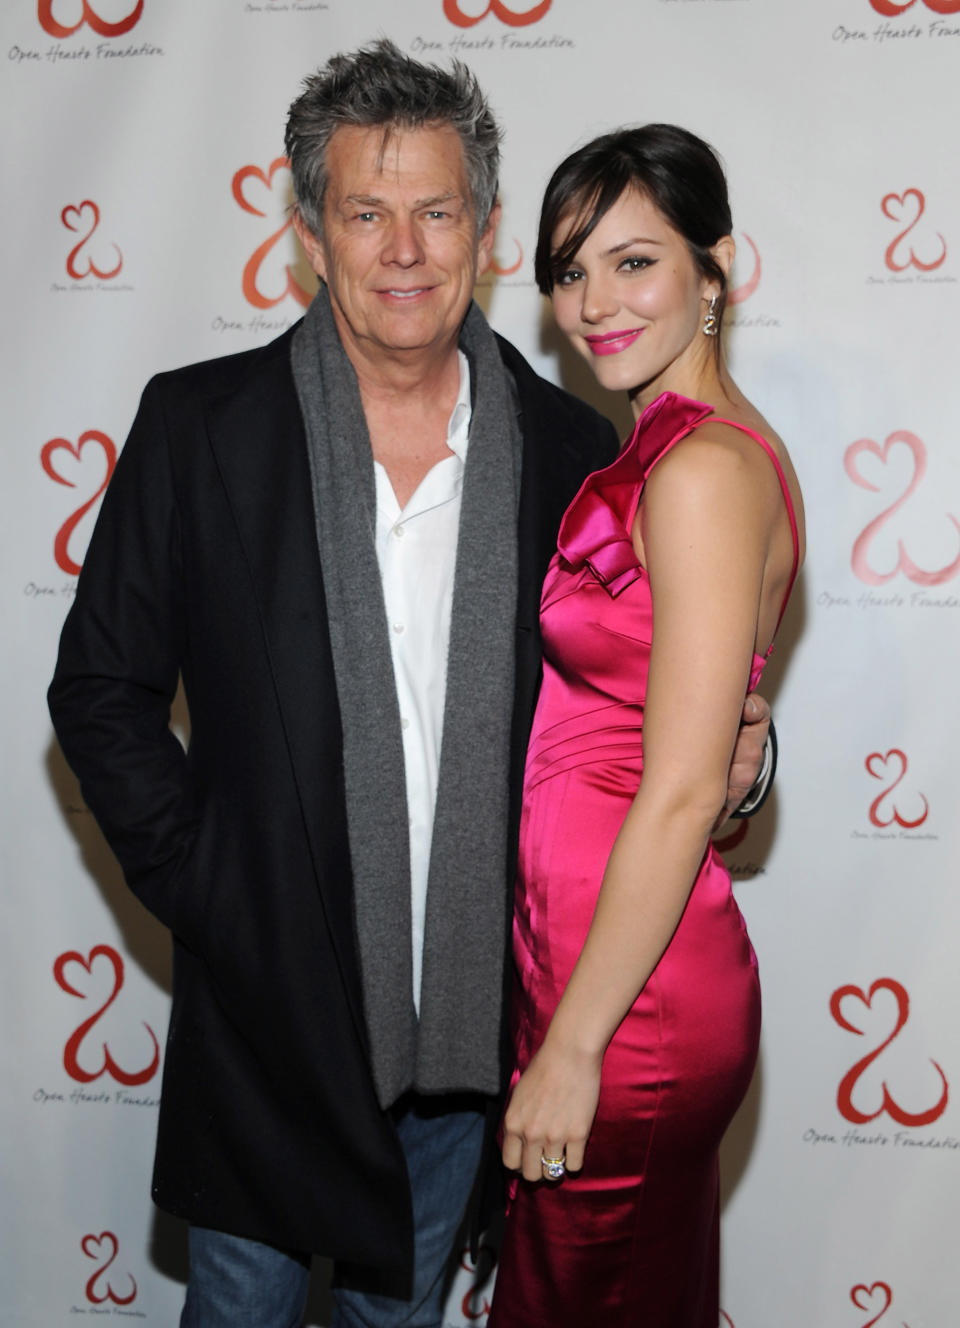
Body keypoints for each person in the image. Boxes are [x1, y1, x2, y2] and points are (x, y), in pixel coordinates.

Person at [47, 41, 771, 1328]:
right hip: (267, 1025)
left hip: (480, 1032)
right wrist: (218, 890)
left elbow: (658, 712)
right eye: (365, 213)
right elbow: (99, 689)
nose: (403, 249)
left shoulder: (572, 449)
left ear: (485, 232)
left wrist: (750, 758)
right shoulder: (201, 425)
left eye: (436, 211)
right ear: (310, 236)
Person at [488, 124, 805, 1327]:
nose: (593, 304)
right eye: (570, 271)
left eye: (634, 262)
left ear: (715, 269)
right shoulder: (668, 451)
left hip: (630, 1003)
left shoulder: (702, 472)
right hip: (598, 970)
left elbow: (678, 788)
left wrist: (574, 1046)